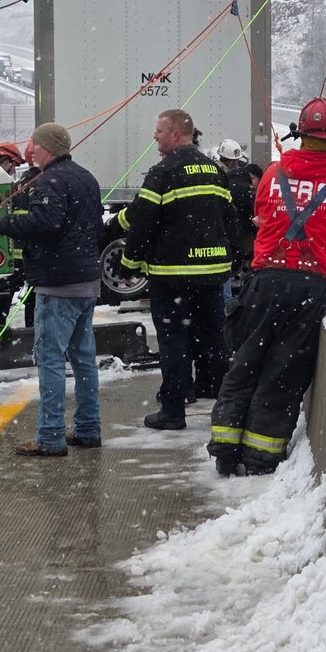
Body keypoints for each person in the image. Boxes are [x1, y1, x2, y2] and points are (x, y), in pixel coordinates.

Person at [207, 97, 326, 477]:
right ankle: (260, 458)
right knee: (283, 374)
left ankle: (225, 450)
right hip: (311, 289)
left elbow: (261, 215)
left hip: (264, 282)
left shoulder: (273, 174)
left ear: (301, 135)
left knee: (245, 363)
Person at [119, 109, 240, 431]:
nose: (154, 136)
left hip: (172, 275)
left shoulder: (163, 171)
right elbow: (230, 220)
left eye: (159, 131)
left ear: (175, 134)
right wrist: (232, 258)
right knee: (213, 338)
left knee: (173, 339)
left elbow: (143, 222)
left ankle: (174, 408)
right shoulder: (215, 172)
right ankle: (222, 402)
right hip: (212, 272)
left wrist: (128, 263)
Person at [0, 122, 104, 455]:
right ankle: (88, 429)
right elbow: (93, 225)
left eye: (35, 144)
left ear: (48, 147)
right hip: (86, 281)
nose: (31, 150)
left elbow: (46, 222)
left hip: (58, 286)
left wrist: (3, 224)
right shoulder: (86, 177)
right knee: (83, 359)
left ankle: (50, 437)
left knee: (51, 359)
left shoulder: (50, 180)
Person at [216, 138, 257, 296]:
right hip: (241, 237)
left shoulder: (219, 180)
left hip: (223, 236)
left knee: (224, 275)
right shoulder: (246, 186)